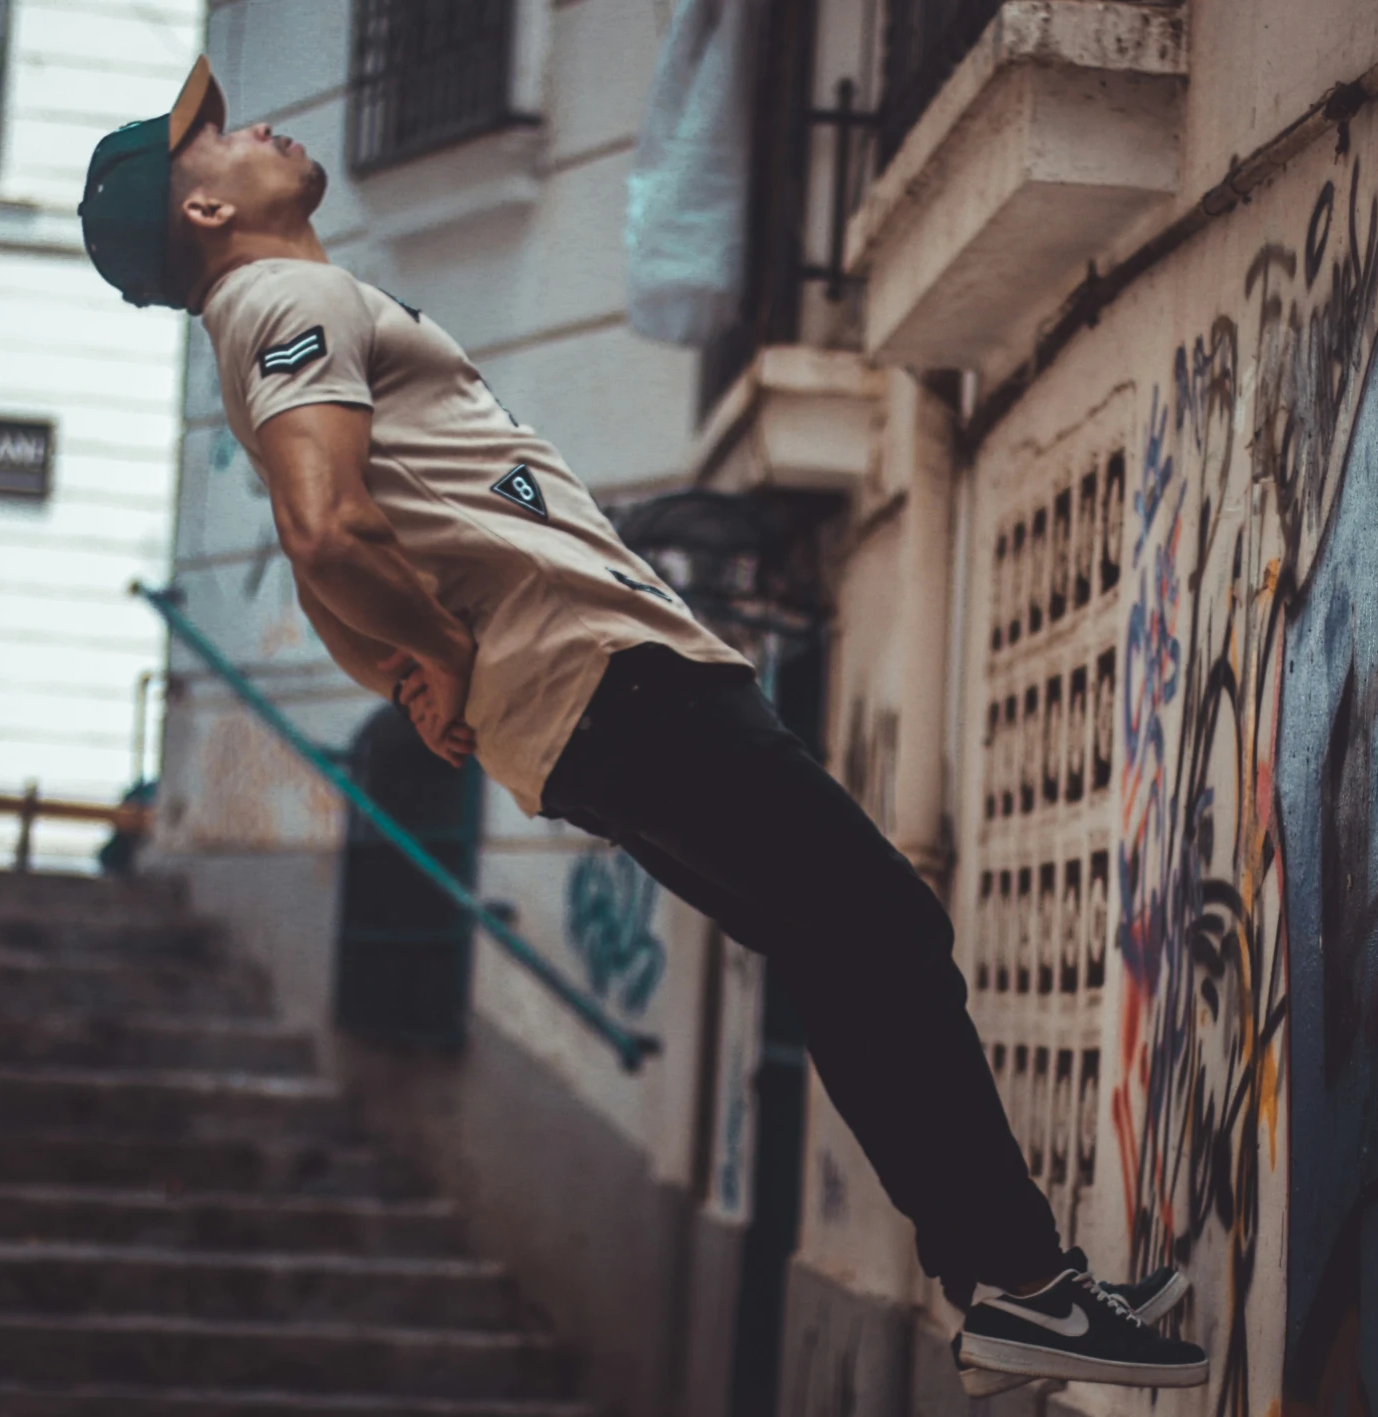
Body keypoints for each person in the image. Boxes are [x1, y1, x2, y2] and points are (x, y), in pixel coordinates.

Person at [76, 58, 1207, 1395]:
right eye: (217, 138)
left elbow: (321, 538)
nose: (257, 128)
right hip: (610, 678)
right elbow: (324, 528)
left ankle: (1014, 1283)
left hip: (585, 703)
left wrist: (418, 671)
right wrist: (436, 649)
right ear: (202, 212)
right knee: (878, 928)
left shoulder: (265, 323)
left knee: (843, 936)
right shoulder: (286, 294)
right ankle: (1020, 1287)